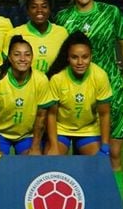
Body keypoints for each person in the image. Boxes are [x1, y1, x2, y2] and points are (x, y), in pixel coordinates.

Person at [54, 0, 123, 197]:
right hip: (76, 94)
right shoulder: (63, 18)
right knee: (81, 154)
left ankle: (115, 207)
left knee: (114, 154)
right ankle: (82, 203)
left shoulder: (111, 13)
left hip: (111, 91)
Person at [45, 32, 113, 160]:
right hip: (61, 129)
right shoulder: (57, 79)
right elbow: (52, 114)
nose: (80, 62)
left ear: (91, 56)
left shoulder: (100, 76)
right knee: (51, 161)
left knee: (98, 163)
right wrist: (53, 145)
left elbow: (104, 114)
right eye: (74, 57)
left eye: (85, 57)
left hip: (88, 129)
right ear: (68, 58)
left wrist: (105, 145)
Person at [0, 36, 55, 155]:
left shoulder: (40, 80)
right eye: (17, 54)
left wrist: (35, 146)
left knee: (32, 161)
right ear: (10, 58)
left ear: (32, 57)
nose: (23, 59)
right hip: (0, 134)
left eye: (27, 55)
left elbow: (41, 117)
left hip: (27, 135)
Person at [10, 0, 68, 74]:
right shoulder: (15, 33)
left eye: (44, 6)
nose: (39, 10)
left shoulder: (62, 33)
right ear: (28, 10)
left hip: (55, 85)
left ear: (50, 9)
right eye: (34, 7)